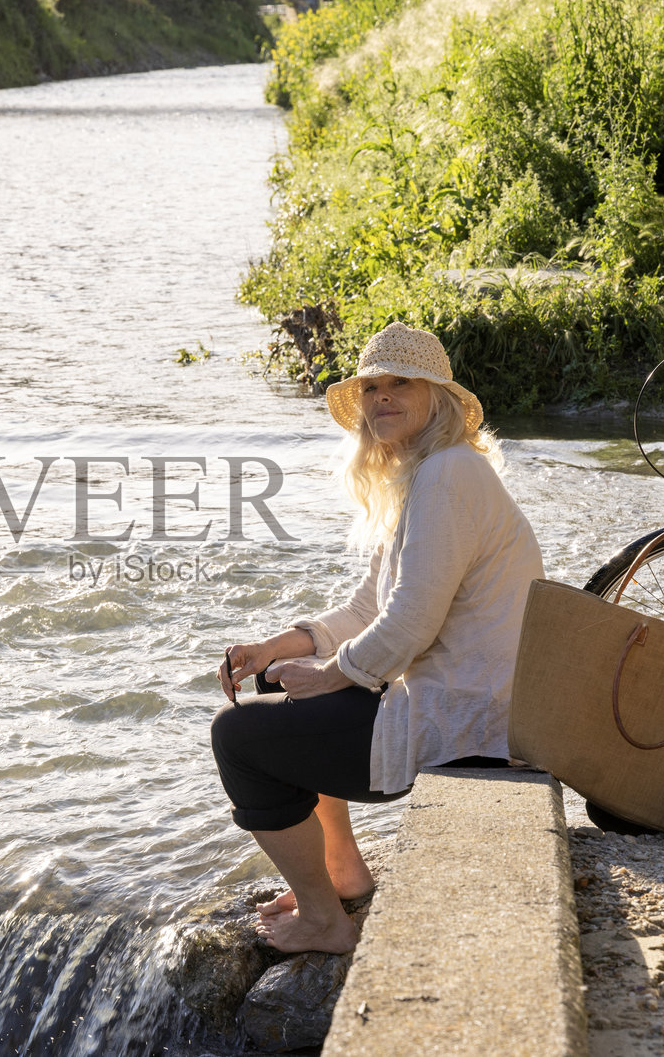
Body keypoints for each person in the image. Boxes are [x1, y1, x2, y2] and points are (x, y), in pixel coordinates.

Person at [211, 323, 544, 955]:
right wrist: (280, 646)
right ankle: (340, 872)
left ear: (436, 400)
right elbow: (371, 605)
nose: (382, 398)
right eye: (372, 387)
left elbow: (412, 620)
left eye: (401, 385)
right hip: (458, 694)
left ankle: (325, 920)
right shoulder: (426, 474)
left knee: (236, 738)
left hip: (469, 718)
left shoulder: (447, 475)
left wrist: (332, 673)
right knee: (276, 679)